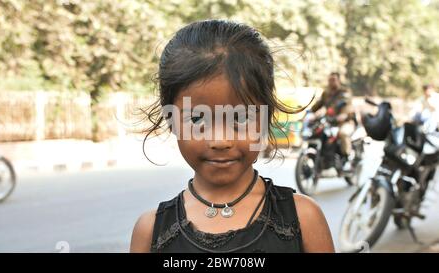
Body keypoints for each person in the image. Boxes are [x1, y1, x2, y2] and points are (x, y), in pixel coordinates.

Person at [130, 20, 334, 253]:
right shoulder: (150, 232)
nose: (220, 141)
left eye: (241, 118)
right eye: (197, 119)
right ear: (171, 120)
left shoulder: (304, 219)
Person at [310, 72, 355, 161]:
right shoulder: (326, 93)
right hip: (329, 121)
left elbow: (345, 105)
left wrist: (342, 115)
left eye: (333, 80)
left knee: (343, 133)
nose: (331, 82)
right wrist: (310, 112)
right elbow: (318, 104)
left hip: (344, 121)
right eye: (330, 80)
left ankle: (347, 159)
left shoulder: (345, 92)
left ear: (338, 80)